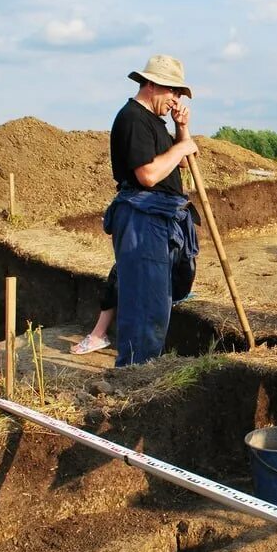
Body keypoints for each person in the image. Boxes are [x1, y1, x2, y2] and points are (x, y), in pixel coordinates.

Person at [103, 55, 200, 367]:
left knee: (159, 300)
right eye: (174, 92)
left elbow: (183, 161)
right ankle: (134, 373)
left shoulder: (155, 122)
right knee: (145, 303)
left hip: (160, 218)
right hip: (140, 218)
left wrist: (182, 129)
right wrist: (181, 147)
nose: (176, 100)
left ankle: (144, 365)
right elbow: (148, 175)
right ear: (153, 84)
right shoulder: (132, 119)